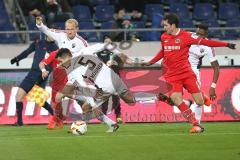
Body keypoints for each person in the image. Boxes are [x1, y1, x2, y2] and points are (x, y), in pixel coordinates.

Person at [141, 13, 236, 133]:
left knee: (200, 102)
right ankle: (195, 124)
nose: (164, 28)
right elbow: (163, 51)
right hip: (172, 75)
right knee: (176, 99)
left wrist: (226, 44)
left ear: (173, 25)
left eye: (166, 25)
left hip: (187, 73)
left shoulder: (186, 36)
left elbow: (207, 43)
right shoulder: (164, 37)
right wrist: (151, 62)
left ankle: (202, 96)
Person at [36, 17, 88, 129]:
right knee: (60, 98)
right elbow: (47, 31)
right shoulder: (61, 36)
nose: (69, 31)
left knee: (63, 97)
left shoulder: (81, 42)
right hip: (62, 76)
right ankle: (61, 119)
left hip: (76, 74)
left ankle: (60, 119)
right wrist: (40, 25)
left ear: (76, 29)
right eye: (67, 29)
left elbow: (91, 56)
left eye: (71, 29)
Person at [10, 36, 58, 126]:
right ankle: (20, 122)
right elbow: (27, 52)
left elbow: (54, 63)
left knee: (24, 97)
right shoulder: (38, 42)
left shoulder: (55, 47)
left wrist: (47, 72)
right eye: (51, 32)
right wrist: (17, 58)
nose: (53, 35)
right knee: (34, 99)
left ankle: (55, 117)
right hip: (34, 73)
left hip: (40, 75)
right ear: (47, 33)